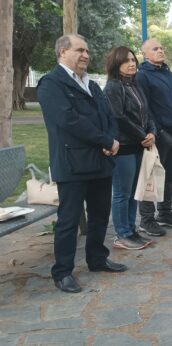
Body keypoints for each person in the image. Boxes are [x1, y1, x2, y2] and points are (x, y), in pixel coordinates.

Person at [38, 35, 127, 293]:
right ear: (63, 52)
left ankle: (97, 259)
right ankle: (63, 272)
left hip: (100, 160)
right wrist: (105, 139)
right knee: (69, 220)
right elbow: (69, 121)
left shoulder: (93, 85)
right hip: (72, 163)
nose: (86, 55)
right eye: (80, 50)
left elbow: (108, 116)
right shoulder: (51, 84)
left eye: (87, 51)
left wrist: (112, 139)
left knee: (100, 215)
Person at [103, 46, 157, 250]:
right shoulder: (114, 87)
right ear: (116, 65)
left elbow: (147, 113)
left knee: (134, 191)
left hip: (138, 146)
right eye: (126, 61)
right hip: (124, 147)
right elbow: (118, 117)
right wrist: (143, 135)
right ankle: (122, 234)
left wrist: (152, 132)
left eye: (133, 60)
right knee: (122, 193)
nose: (132, 64)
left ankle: (131, 230)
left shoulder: (135, 85)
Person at [135, 38, 172, 236]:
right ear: (145, 54)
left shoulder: (168, 74)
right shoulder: (142, 76)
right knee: (152, 176)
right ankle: (147, 219)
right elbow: (145, 108)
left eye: (161, 48)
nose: (160, 51)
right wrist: (158, 132)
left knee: (170, 175)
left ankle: (165, 213)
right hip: (160, 135)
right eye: (154, 49)